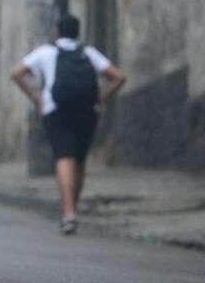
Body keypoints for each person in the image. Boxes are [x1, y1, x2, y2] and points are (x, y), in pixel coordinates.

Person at [11, 14, 127, 234]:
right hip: (86, 111)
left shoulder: (45, 52)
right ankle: (73, 207)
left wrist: (35, 97)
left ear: (56, 31)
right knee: (79, 160)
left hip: (56, 110)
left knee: (64, 157)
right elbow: (119, 77)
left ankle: (68, 213)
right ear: (77, 32)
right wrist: (101, 98)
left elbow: (16, 73)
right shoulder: (88, 53)